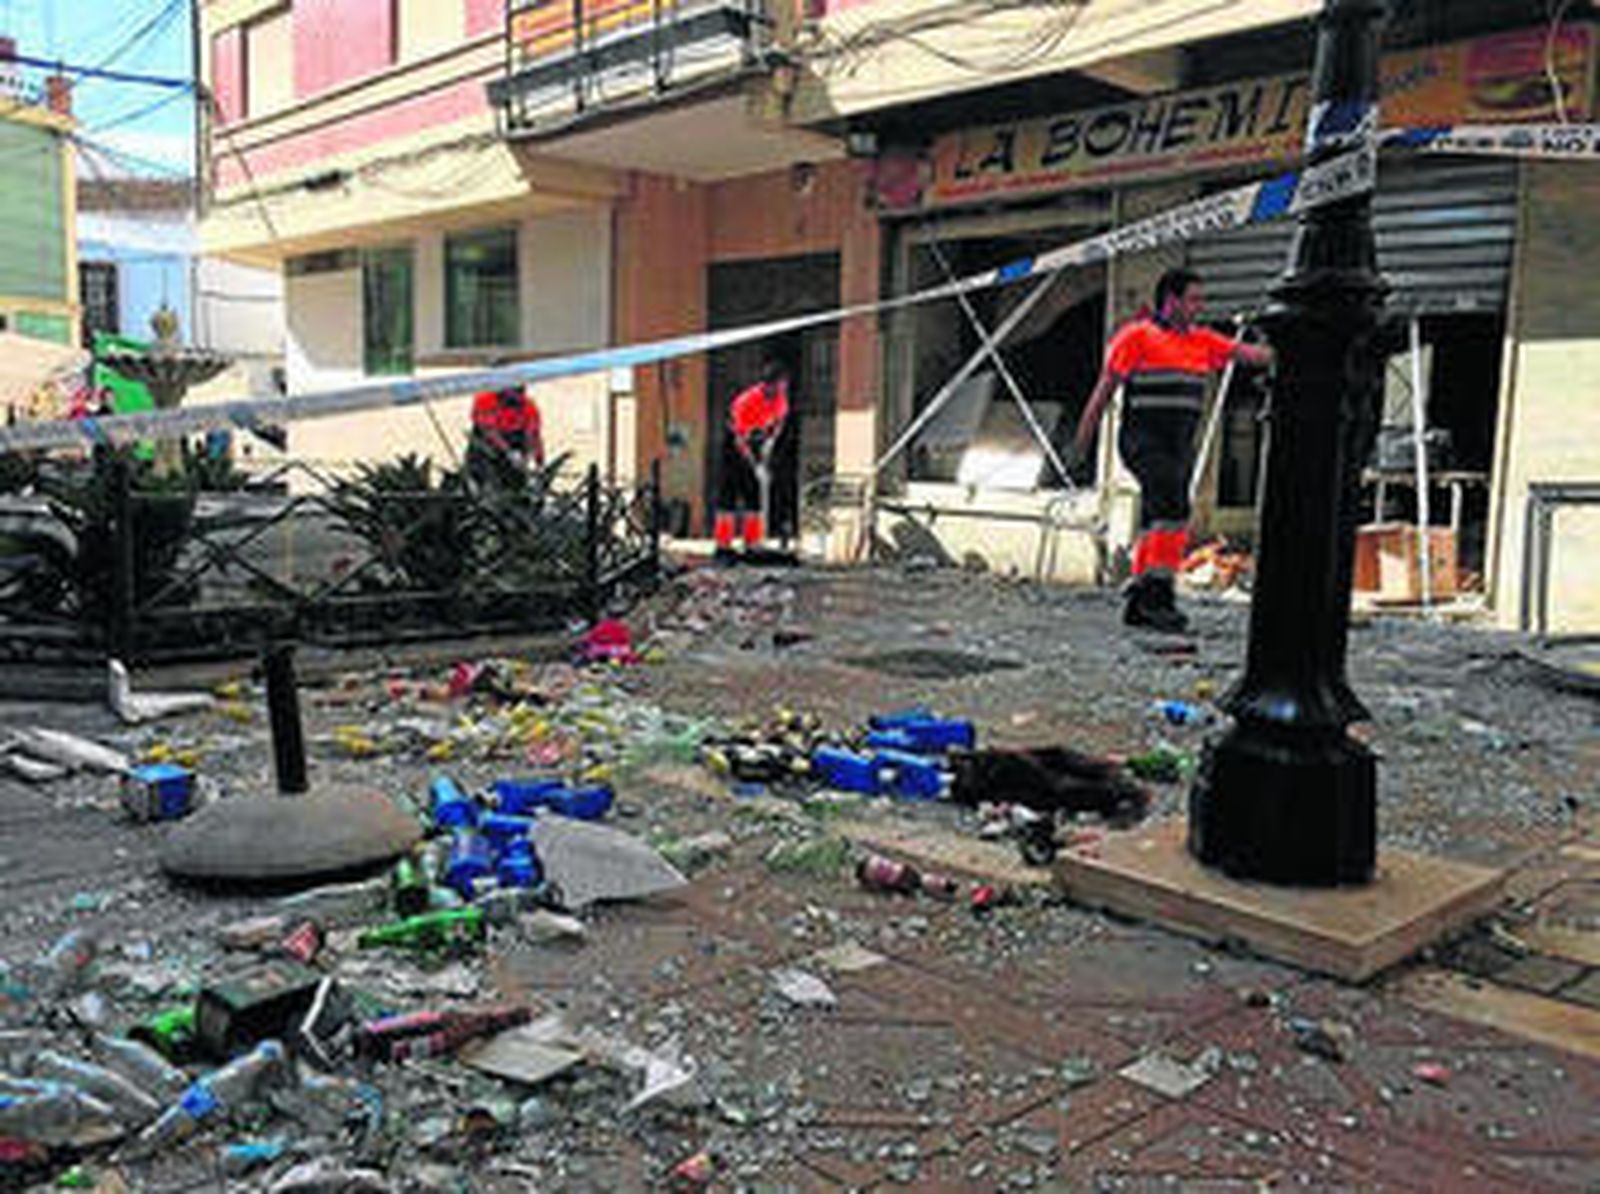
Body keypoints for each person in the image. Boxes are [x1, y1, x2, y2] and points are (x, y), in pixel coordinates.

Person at [1073, 268, 1273, 633]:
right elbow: (1103, 392)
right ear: (1171, 300)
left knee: (1158, 515)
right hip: (1142, 440)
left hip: (1180, 445)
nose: (1200, 306)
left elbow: (1253, 356)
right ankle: (1158, 596)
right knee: (1173, 509)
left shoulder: (1202, 341)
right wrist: (1082, 445)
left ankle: (1141, 596)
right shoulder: (1136, 337)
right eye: (1193, 299)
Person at [717, 360, 791, 550]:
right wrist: (754, 464)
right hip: (734, 445)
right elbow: (739, 439)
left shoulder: (781, 399)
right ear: (769, 384)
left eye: (784, 385)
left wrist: (767, 449)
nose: (783, 388)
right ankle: (723, 544)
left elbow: (777, 425)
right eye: (780, 384)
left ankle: (752, 543)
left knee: (755, 495)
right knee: (729, 495)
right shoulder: (746, 401)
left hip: (757, 439)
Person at [467, 377, 544, 486]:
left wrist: (538, 461)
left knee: (516, 480)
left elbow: (533, 435)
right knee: (480, 475)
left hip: (514, 441)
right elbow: (488, 430)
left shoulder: (528, 407)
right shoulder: (485, 400)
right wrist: (509, 452)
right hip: (486, 443)